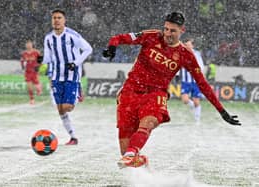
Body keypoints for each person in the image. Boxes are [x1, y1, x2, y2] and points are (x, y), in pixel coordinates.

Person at [103, 12, 241, 168]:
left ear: (182, 30)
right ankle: (138, 158)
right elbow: (119, 38)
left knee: (148, 122)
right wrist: (112, 47)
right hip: (130, 91)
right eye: (166, 29)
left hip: (156, 93)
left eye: (172, 31)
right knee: (124, 149)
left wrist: (222, 111)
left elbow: (203, 84)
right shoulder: (151, 36)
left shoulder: (185, 55)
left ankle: (131, 154)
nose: (167, 34)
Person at [42, 9, 92, 145]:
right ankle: (73, 137)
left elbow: (88, 49)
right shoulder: (49, 38)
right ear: (52, 20)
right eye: (54, 18)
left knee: (67, 107)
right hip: (57, 76)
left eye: (59, 18)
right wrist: (41, 62)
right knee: (60, 109)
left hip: (71, 75)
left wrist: (75, 63)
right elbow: (47, 57)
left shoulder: (72, 35)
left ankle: (78, 90)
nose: (56, 20)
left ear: (64, 20)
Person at [180, 38, 204, 123]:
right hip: (185, 81)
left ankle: (197, 120)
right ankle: (192, 106)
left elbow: (201, 67)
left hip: (195, 82)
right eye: (186, 45)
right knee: (185, 100)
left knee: (197, 102)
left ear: (192, 46)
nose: (187, 46)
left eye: (189, 45)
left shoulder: (197, 54)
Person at [20, 40, 42, 105]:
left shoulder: (36, 52)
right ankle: (32, 99)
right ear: (26, 45)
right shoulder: (24, 53)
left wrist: (38, 66)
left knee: (37, 85)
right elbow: (22, 61)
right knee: (29, 86)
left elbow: (40, 60)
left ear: (32, 45)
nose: (28, 46)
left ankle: (39, 89)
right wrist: (23, 66)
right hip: (27, 72)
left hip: (34, 71)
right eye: (27, 44)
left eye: (29, 44)